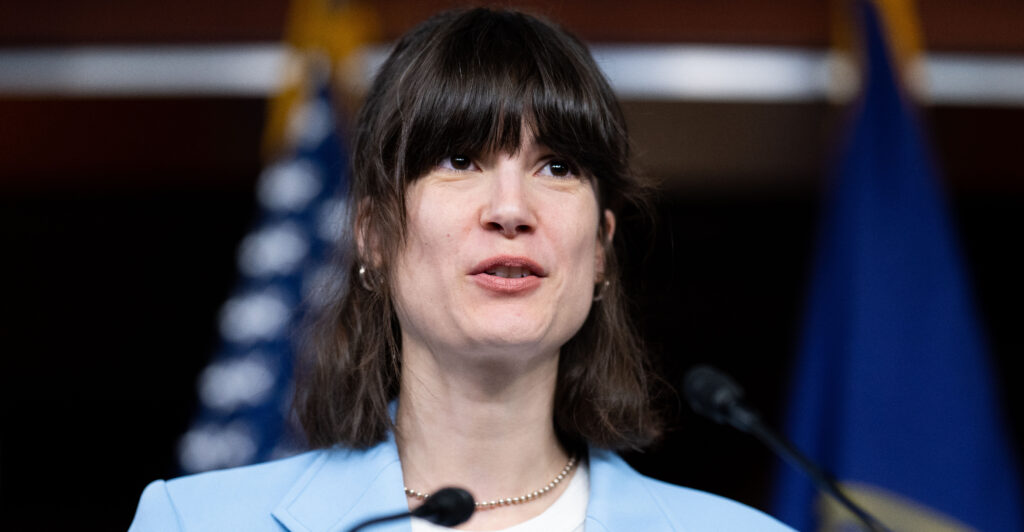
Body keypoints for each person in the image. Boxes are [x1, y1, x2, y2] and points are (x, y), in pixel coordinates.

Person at [129, 8, 792, 531]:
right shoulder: (195, 522)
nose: (511, 209)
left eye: (557, 167)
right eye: (459, 160)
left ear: (598, 249)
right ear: (373, 237)